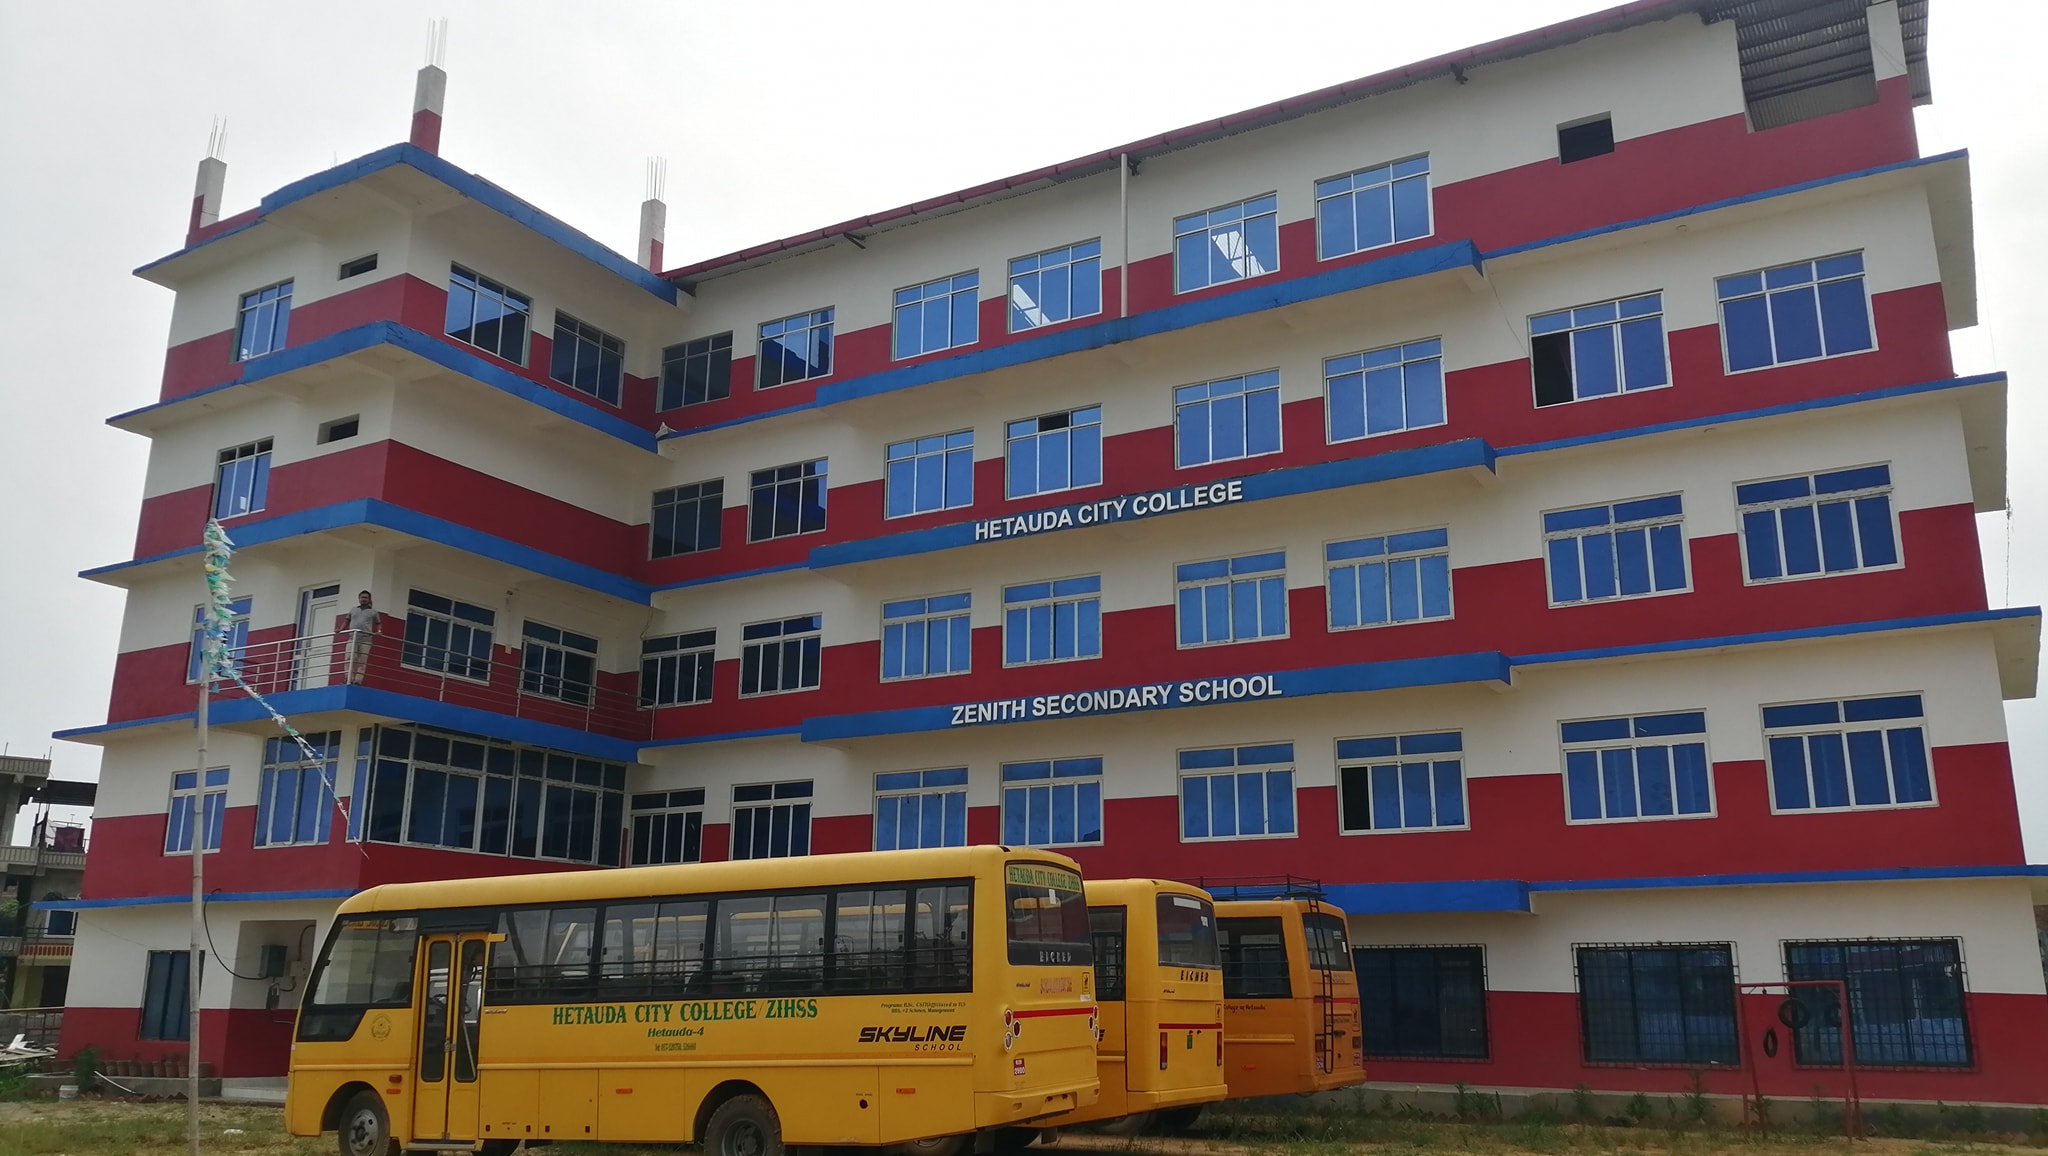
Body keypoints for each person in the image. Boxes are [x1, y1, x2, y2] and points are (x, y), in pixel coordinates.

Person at [346, 590, 383, 685]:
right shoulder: (353, 610)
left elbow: (378, 623)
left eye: (366, 598)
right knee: (349, 659)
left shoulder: (373, 612)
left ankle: (358, 681)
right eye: (362, 597)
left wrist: (379, 632)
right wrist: (340, 629)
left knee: (362, 661)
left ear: (369, 599)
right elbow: (347, 621)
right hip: (352, 638)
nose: (364, 599)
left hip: (366, 639)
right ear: (359, 599)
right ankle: (348, 679)